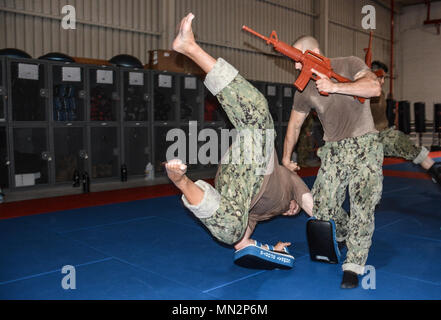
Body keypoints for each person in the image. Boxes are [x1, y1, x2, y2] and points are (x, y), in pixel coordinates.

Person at [165, 13, 314, 268]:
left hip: (235, 186)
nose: (292, 211)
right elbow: (313, 206)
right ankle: (189, 47)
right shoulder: (290, 180)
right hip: (258, 164)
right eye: (294, 208)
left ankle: (182, 182)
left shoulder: (260, 214)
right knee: (256, 116)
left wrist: (271, 250)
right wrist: (335, 230)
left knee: (232, 231)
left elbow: (242, 245)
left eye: (292, 211)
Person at [282, 36, 383, 288]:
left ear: (315, 52)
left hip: (365, 145)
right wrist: (285, 158)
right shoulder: (304, 88)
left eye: (298, 58)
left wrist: (336, 86)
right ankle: (347, 233)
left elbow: (374, 88)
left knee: (363, 205)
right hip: (333, 151)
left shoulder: (349, 63)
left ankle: (354, 263)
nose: (296, 65)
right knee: (322, 209)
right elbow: (294, 124)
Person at [370, 61, 441, 186]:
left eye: (384, 78)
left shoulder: (380, 93)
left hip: (382, 134)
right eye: (380, 77)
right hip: (363, 138)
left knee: (404, 143)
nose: (383, 81)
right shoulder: (361, 92)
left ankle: (435, 170)